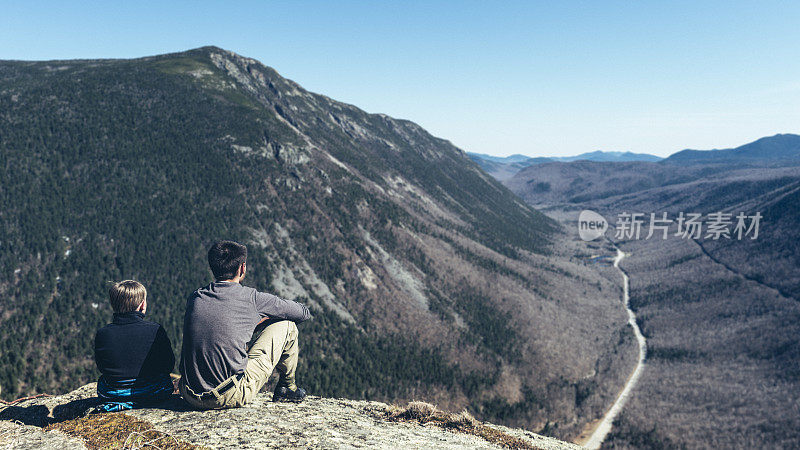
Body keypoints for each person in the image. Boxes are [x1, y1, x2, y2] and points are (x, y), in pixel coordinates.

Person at [179, 240, 311, 409]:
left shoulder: (195, 297)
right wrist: (265, 320)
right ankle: (287, 388)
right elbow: (302, 313)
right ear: (242, 268)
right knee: (288, 326)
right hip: (227, 395)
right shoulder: (251, 298)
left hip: (189, 394)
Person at [94, 280, 175, 412]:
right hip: (154, 393)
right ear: (143, 305)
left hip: (113, 395)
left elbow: (102, 367)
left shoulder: (103, 333)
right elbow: (168, 365)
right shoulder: (155, 330)